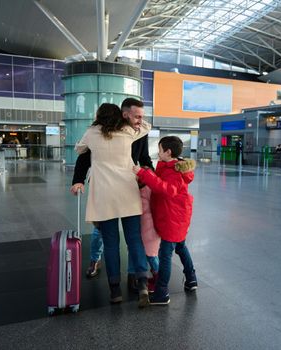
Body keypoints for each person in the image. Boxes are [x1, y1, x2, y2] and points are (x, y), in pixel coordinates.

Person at [70, 103, 151, 307]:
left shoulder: (91, 133)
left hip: (104, 196)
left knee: (111, 244)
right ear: (120, 116)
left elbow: (79, 149)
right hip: (127, 192)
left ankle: (115, 290)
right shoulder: (128, 131)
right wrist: (126, 122)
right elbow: (146, 126)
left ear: (98, 116)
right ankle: (142, 284)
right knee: (134, 240)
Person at [133, 136, 197, 305]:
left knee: (165, 255)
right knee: (181, 247)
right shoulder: (171, 166)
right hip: (177, 215)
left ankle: (162, 293)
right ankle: (191, 279)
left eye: (160, 149)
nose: (158, 152)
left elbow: (167, 190)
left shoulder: (174, 171)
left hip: (172, 217)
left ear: (168, 152)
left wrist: (143, 173)